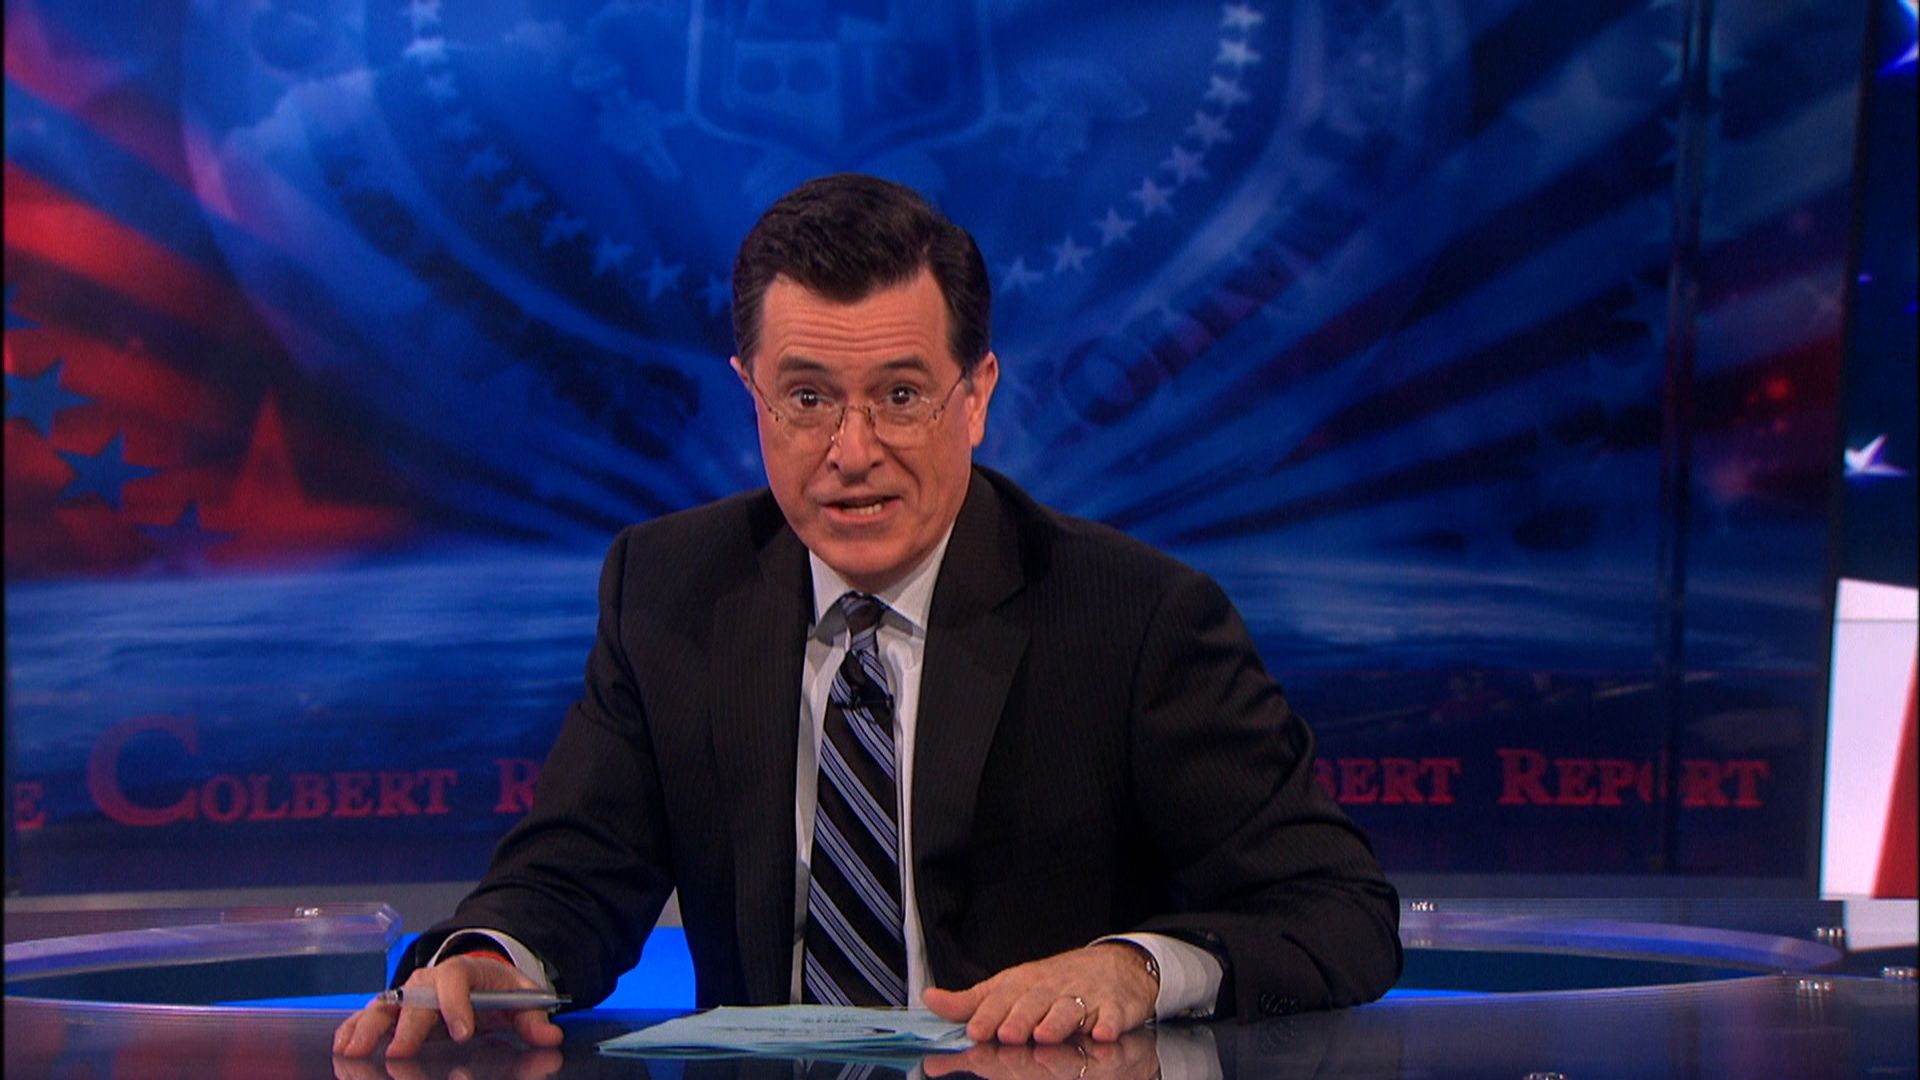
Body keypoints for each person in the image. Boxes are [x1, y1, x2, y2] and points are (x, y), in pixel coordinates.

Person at [334, 174, 1401, 1060]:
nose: (852, 452)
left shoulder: (1137, 620)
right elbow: (574, 872)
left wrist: (1135, 970)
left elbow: (1340, 912)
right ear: (752, 395)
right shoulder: (667, 589)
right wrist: (492, 958)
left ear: (976, 397)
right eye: (807, 399)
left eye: (900, 395)